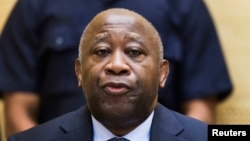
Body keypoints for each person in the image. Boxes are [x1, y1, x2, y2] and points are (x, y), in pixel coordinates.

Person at [0, 0, 232, 136]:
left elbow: (202, 113)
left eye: (135, 52)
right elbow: (17, 113)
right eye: (101, 52)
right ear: (78, 70)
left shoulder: (184, 5)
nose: (117, 66)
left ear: (163, 71)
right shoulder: (34, 5)